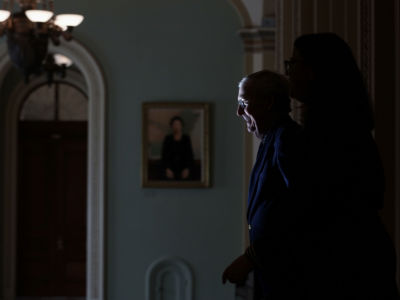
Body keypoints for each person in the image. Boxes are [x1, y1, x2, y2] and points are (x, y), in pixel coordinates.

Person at [286, 32, 399, 299]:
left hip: (344, 264)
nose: (289, 72)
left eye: (294, 64)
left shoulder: (334, 132)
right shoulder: (342, 127)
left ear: (314, 71)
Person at [222, 70, 306, 299]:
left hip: (287, 276)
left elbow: (297, 208)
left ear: (268, 102)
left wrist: (252, 257)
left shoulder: (287, 140)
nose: (239, 112)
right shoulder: (271, 139)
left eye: (244, 103)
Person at [161, 116, 194, 180]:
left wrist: (187, 169)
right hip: (170, 168)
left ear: (181, 126)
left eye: (178, 124)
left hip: (183, 168)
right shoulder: (168, 139)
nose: (176, 126)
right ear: (171, 126)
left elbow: (190, 155)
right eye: (174, 124)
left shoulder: (186, 138)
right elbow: (164, 156)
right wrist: (167, 169)